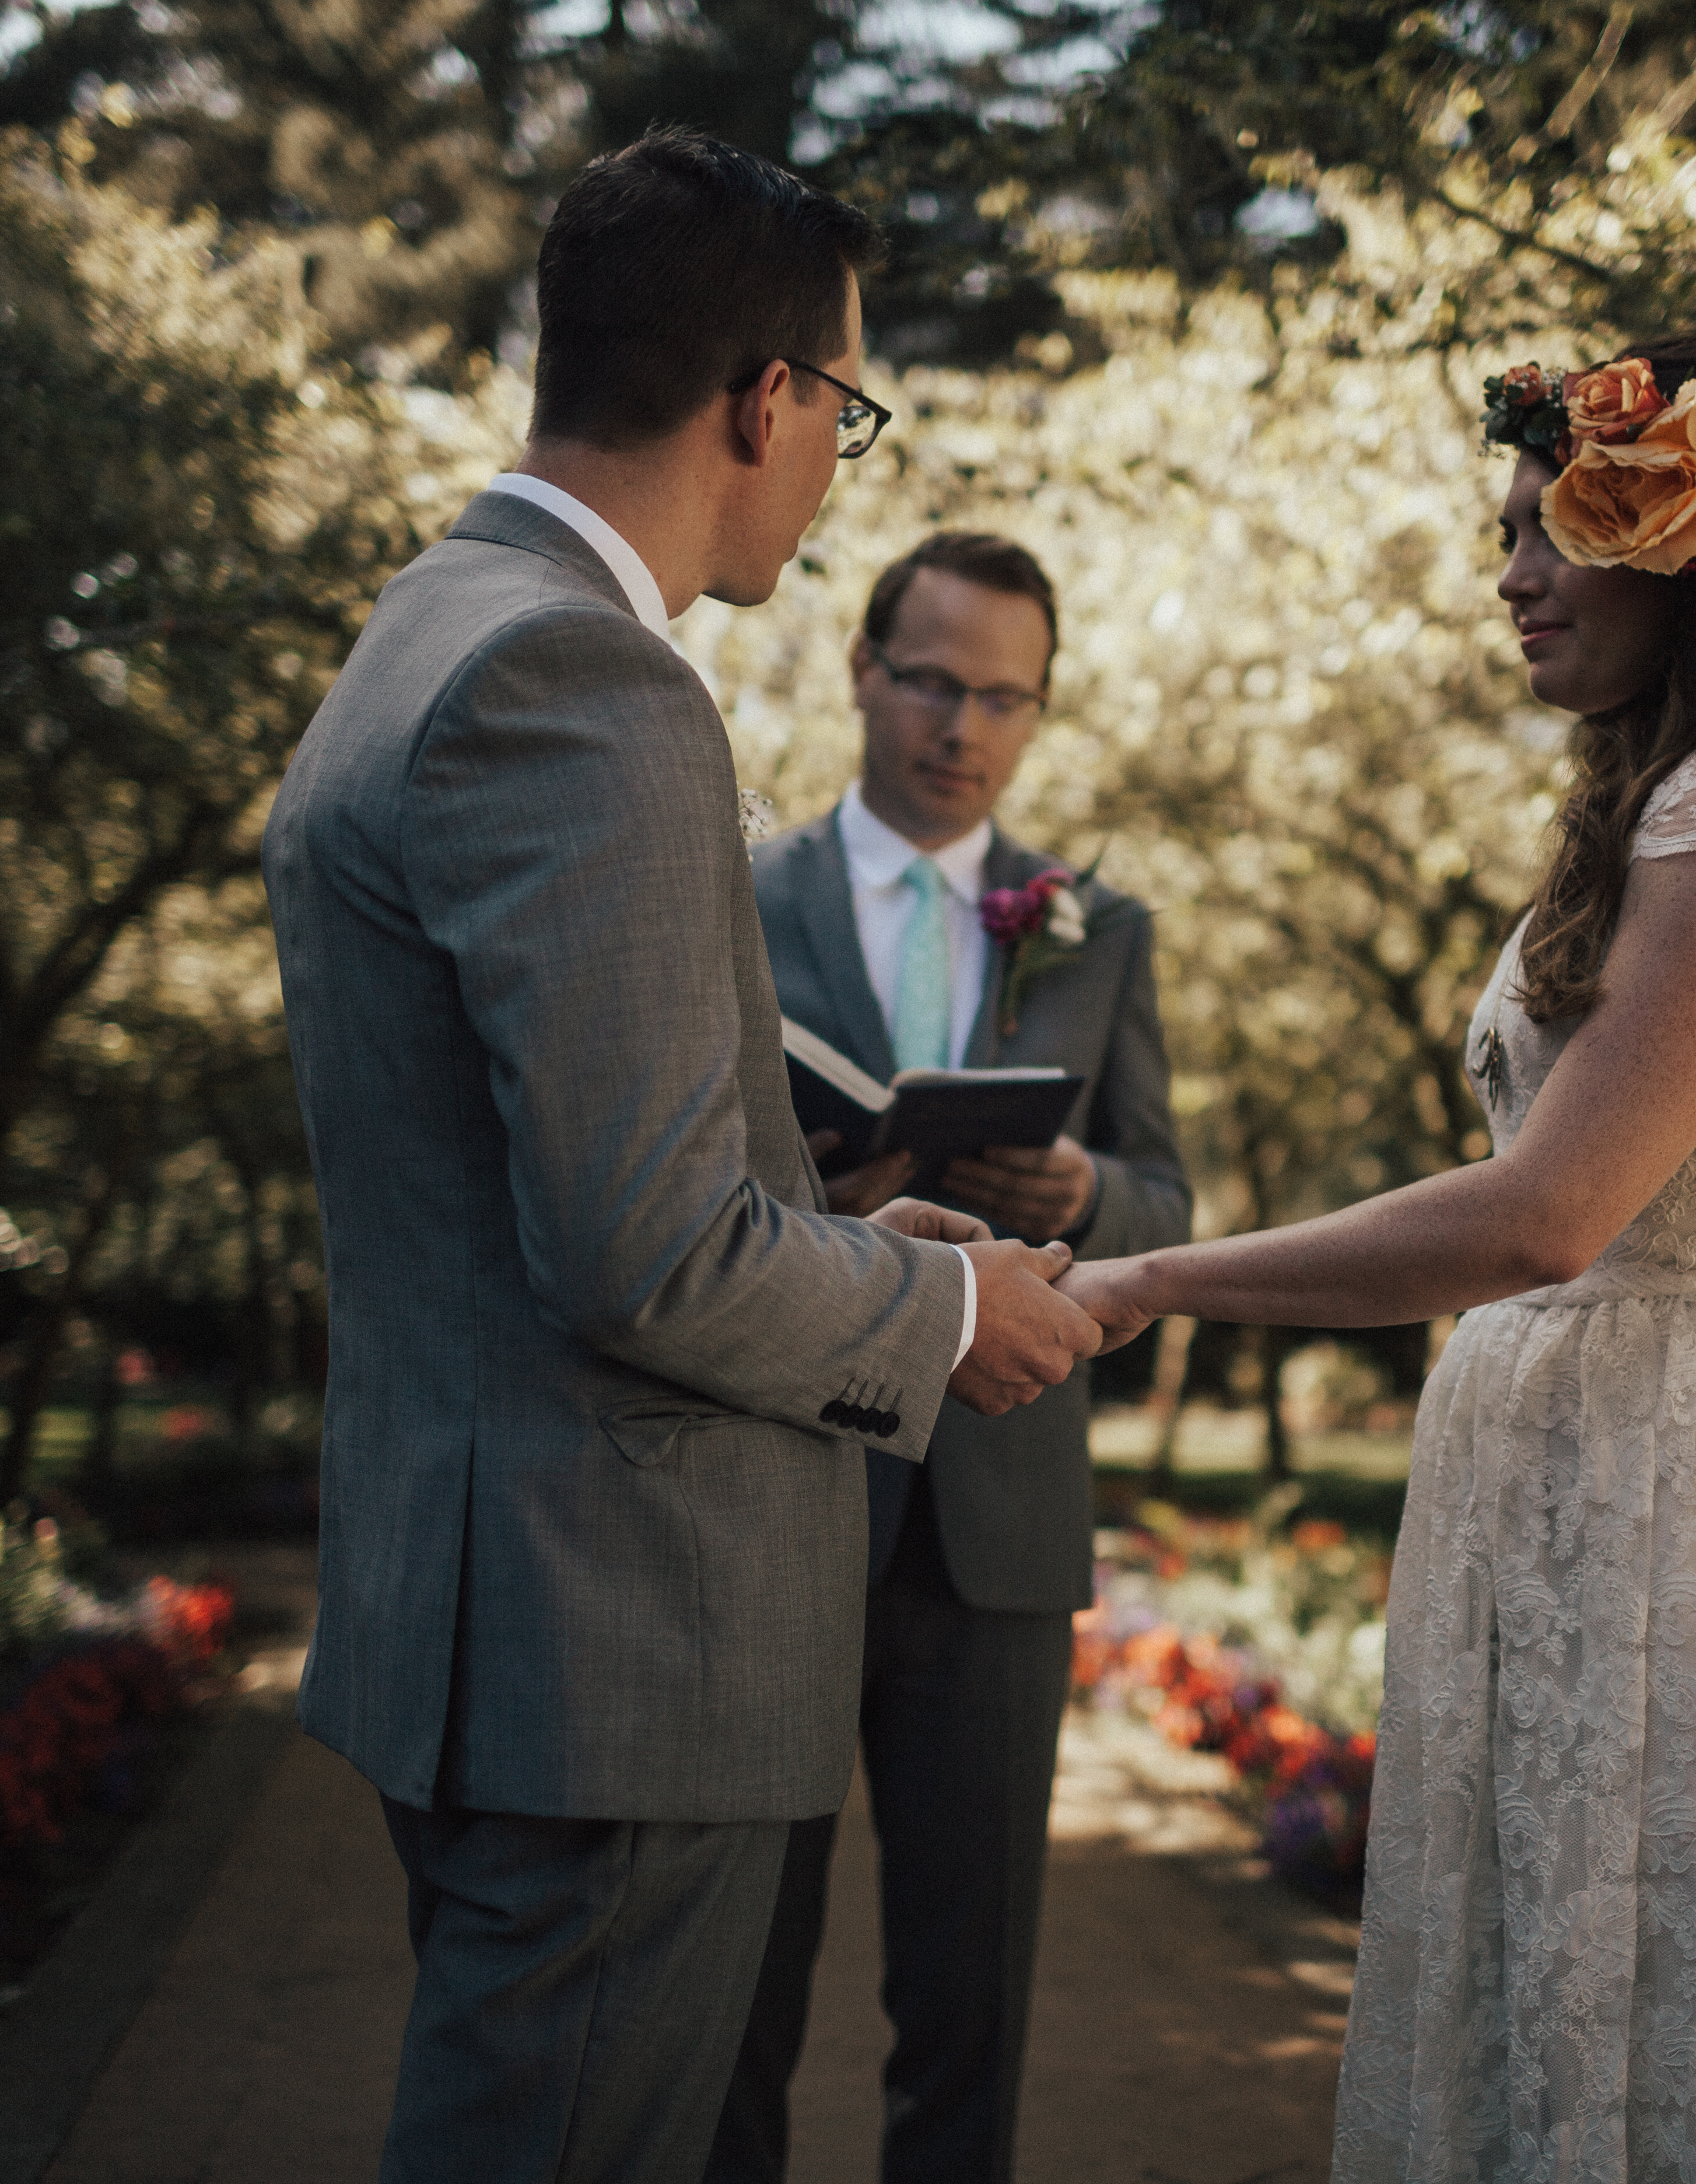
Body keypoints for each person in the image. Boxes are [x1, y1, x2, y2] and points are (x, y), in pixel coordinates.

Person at [1060, 334, 1696, 2180]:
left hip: (1692, 1479)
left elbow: (1548, 1215)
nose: (1505, 576)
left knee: (1692, 2005)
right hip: (1593, 1472)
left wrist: (1149, 1280)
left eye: (1545, 529)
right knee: (1567, 1992)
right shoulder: (1664, 805)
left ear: (1691, 542)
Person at [259, 128, 1106, 2184]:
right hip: (615, 1647)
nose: (836, 467)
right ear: (768, 399)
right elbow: (644, 1255)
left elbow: (545, 1186)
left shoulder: (433, 623)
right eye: (850, 410)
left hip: (496, 1614)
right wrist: (938, 1300)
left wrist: (837, 1221)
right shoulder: (591, 682)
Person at [709, 533, 1193, 2184]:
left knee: (970, 2007)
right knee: (734, 2000)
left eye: (1005, 697)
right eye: (931, 679)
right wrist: (814, 1192)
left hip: (999, 1526)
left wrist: (1088, 1195)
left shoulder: (1097, 926)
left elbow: (1166, 1191)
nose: (962, 726)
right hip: (771, 1500)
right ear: (860, 668)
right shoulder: (728, 888)